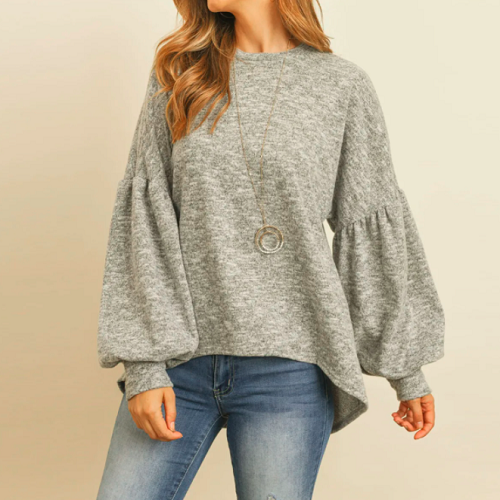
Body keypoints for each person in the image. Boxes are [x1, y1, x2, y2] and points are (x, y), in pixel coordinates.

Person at [95, 1, 446, 499]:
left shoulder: (341, 87)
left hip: (290, 372)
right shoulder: (179, 74)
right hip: (178, 365)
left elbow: (367, 225)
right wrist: (144, 366)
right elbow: (146, 220)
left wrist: (406, 372)